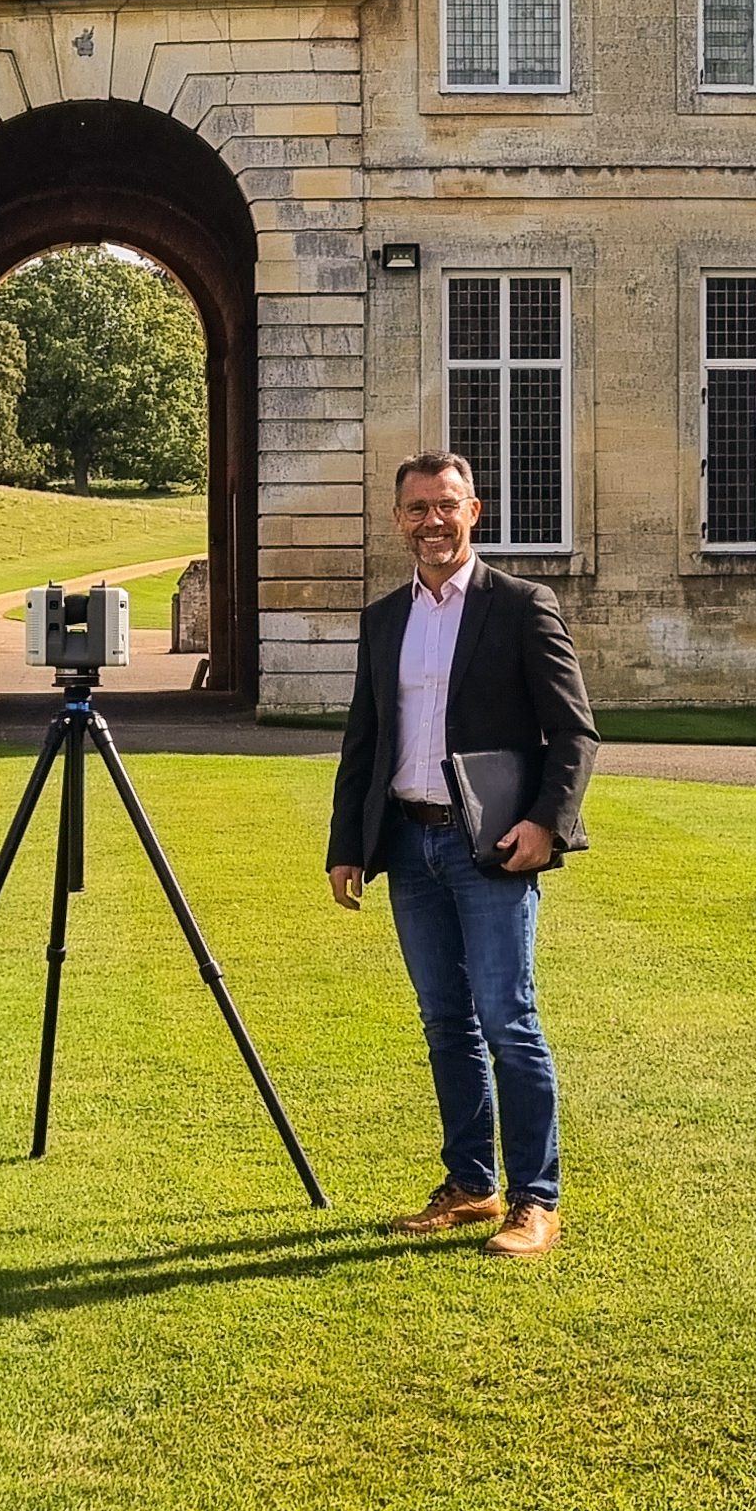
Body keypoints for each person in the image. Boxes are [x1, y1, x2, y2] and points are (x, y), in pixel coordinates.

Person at [327, 450, 597, 1259]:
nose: (431, 522)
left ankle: (534, 1200)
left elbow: (573, 731)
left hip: (489, 850)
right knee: (445, 1023)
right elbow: (363, 741)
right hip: (408, 846)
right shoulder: (383, 620)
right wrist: (348, 846)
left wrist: (546, 824)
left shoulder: (519, 606)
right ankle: (471, 1184)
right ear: (398, 519)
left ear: (471, 511)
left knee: (506, 1021)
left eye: (445, 506)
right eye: (416, 508)